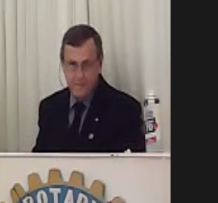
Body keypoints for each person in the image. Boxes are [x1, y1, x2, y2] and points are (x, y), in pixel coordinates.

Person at [33, 24, 145, 153]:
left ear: (100, 63)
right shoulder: (50, 109)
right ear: (63, 66)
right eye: (72, 65)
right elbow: (37, 162)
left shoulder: (125, 112)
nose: (79, 75)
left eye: (86, 65)